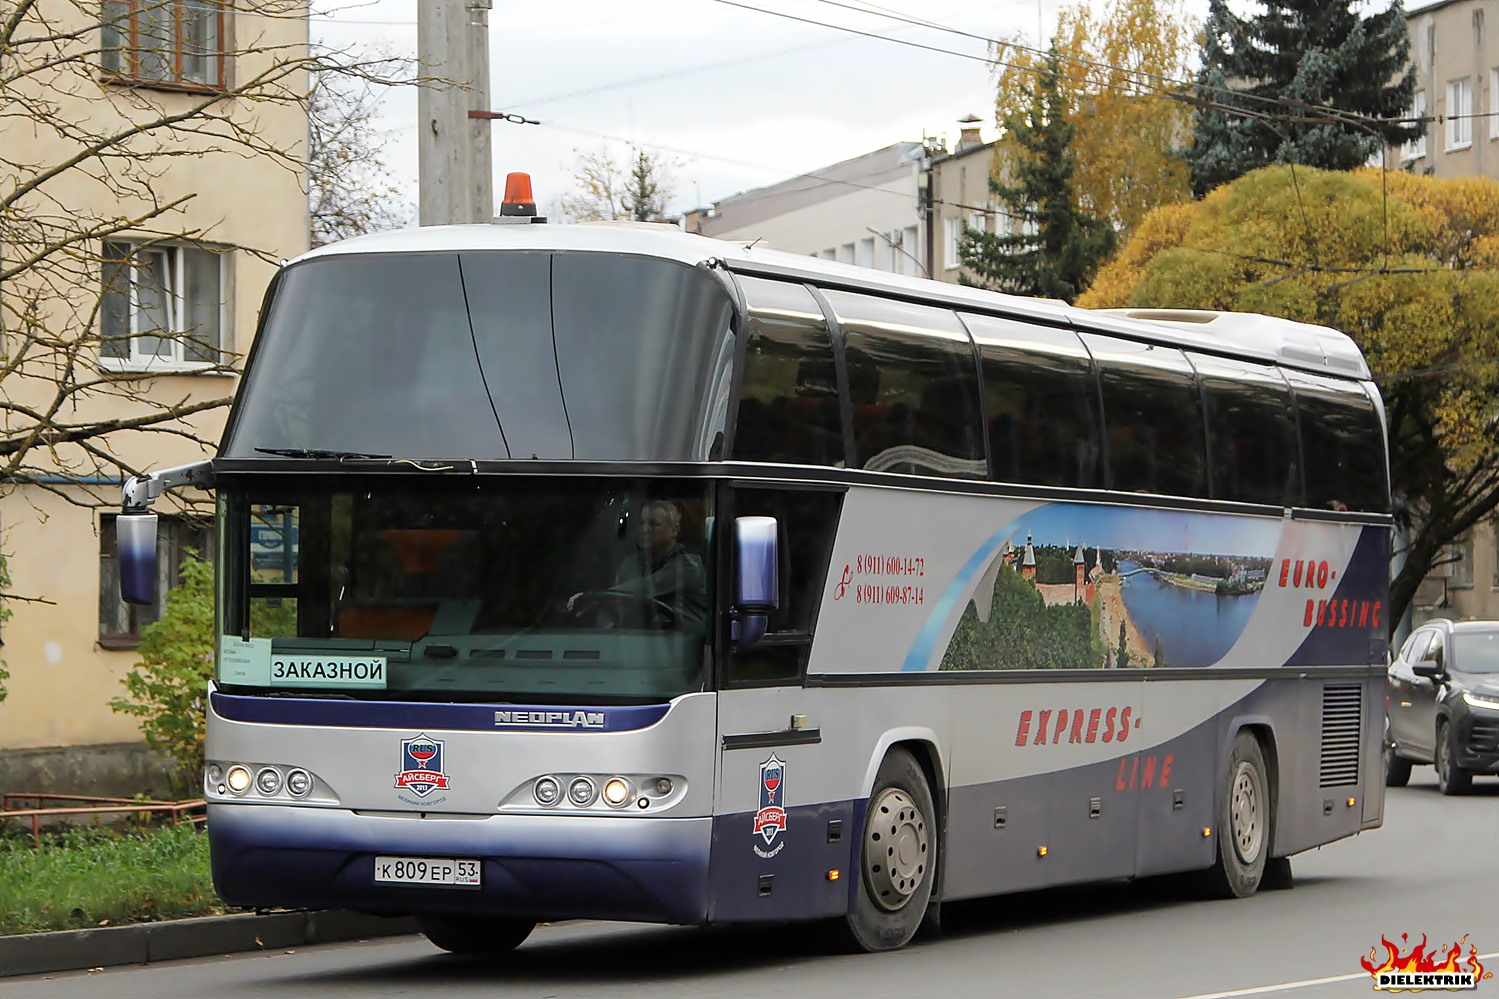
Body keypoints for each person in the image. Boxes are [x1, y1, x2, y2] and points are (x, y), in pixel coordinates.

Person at [567, 499, 706, 629]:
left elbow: (649, 586)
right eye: (641, 524)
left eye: (653, 524)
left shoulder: (690, 566)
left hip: (684, 647)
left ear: (674, 530)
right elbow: (615, 607)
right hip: (639, 645)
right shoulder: (631, 564)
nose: (644, 530)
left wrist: (596, 597)